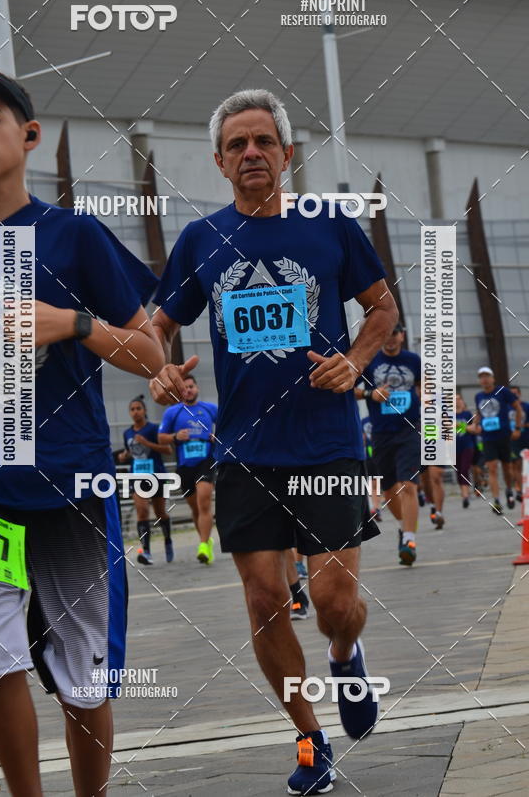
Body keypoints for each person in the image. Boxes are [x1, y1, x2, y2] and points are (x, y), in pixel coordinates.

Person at [148, 88, 398, 793]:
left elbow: (382, 306)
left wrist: (356, 359)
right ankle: (310, 741)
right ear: (220, 162)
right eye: (237, 145)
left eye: (263, 141)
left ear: (288, 155)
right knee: (263, 602)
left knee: (334, 603)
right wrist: (160, 369)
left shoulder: (329, 226)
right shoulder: (201, 241)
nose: (251, 153)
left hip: (326, 443)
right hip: (244, 450)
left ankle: (346, 656)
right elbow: (157, 323)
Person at [0, 69, 164, 797]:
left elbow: (150, 352)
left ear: (28, 136)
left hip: (69, 480)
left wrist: (76, 324)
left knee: (84, 674)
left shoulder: (73, 236)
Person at [355, 323, 421, 565]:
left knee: (409, 484)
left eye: (395, 334)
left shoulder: (414, 360)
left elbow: (426, 389)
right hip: (381, 433)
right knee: (390, 489)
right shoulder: (370, 360)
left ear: (402, 335)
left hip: (409, 429)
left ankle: (410, 540)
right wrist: (370, 394)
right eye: (387, 334)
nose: (391, 339)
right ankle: (405, 530)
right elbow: (349, 390)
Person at [158, 375, 217, 563]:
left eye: (192, 386)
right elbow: (161, 438)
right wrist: (176, 436)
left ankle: (202, 545)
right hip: (185, 465)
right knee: (195, 508)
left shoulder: (209, 408)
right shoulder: (173, 412)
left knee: (204, 500)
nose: (189, 390)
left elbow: (228, 423)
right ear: (180, 391)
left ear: (197, 388)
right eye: (185, 387)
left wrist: (217, 435)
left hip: (206, 460)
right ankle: (206, 543)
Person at [119, 396, 173, 564]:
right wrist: (124, 456)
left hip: (156, 475)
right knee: (142, 511)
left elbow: (168, 450)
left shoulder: (154, 429)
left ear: (145, 411)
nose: (135, 412)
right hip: (138, 477)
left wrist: (147, 443)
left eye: (138, 408)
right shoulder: (127, 433)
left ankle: (168, 540)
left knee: (160, 513)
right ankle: (146, 552)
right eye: (132, 409)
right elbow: (131, 452)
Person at [474, 367, 522, 514]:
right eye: (481, 377)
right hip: (488, 438)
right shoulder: (478, 396)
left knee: (507, 468)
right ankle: (496, 501)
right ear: (479, 381)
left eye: (487, 376)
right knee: (492, 468)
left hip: (504, 435)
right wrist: (476, 424)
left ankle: (508, 489)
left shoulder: (502, 391)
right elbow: (479, 413)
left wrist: (517, 428)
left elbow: (518, 409)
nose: (484, 379)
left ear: (493, 378)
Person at [455, 393, 477, 508]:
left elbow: (473, 429)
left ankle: (465, 495)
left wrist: (459, 425)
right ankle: (463, 492)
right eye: (454, 400)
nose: (457, 401)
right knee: (458, 471)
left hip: (467, 446)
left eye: (459, 399)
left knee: (464, 469)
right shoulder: (448, 415)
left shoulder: (467, 414)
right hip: (453, 447)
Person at [509, 386, 529, 502]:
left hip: (526, 438)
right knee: (516, 465)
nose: (514, 395)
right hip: (513, 441)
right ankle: (520, 490)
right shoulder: (506, 408)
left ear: (520, 394)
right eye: (512, 394)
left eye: (516, 393)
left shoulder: (526, 406)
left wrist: (521, 426)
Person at [361, 415, 382, 522]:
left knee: (377, 482)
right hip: (371, 456)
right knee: (375, 482)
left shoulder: (381, 417)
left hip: (384, 453)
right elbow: (362, 439)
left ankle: (377, 507)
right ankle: (376, 508)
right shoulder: (364, 421)